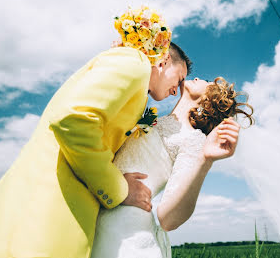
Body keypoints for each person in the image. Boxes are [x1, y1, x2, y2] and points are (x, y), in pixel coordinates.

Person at [0, 6, 190, 258]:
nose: (176, 90)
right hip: (45, 216)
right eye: (179, 79)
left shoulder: (134, 86)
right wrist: (119, 189)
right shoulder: (134, 62)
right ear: (164, 60)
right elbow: (73, 121)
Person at [90, 77, 254, 258]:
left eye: (207, 81)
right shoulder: (152, 118)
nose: (198, 77)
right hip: (94, 209)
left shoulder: (194, 139)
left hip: (123, 228)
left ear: (212, 98)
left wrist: (205, 161)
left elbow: (168, 220)